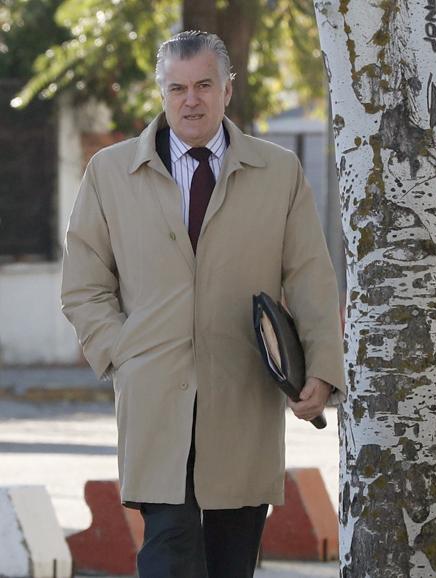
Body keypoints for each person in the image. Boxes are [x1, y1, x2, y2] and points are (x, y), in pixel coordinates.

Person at [61, 30, 345, 578]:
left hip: (242, 399)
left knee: (229, 563)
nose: (190, 100)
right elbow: (83, 283)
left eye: (204, 86)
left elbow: (310, 275)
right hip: (155, 399)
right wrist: (122, 352)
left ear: (227, 90)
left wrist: (322, 370)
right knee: (168, 555)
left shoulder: (278, 173)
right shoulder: (110, 174)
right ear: (162, 94)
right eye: (178, 88)